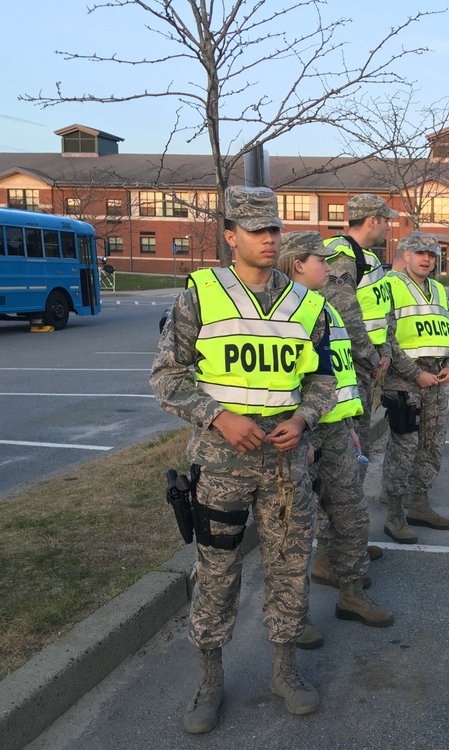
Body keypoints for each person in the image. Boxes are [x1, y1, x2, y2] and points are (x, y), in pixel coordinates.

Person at [150, 187, 337, 733]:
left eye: (274, 229)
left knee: (289, 566)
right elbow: (166, 377)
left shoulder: (308, 304)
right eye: (256, 229)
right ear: (230, 235)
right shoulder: (200, 296)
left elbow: (324, 379)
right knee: (216, 572)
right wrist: (218, 416)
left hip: (286, 466)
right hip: (221, 464)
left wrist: (303, 418)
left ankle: (285, 670)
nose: (269, 238)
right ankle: (210, 678)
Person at [276, 231, 393, 645]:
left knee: (351, 513)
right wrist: (302, 433)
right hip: (297, 434)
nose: (329, 267)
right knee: (293, 529)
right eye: (320, 260)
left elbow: (335, 376)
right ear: (297, 265)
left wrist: (346, 426)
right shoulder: (281, 313)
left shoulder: (323, 307)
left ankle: (351, 591)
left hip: (335, 427)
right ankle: (295, 617)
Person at [380, 231, 449, 544]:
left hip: (437, 379)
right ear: (406, 255)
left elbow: (448, 330)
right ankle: (394, 513)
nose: (427, 259)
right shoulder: (390, 286)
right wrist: (414, 373)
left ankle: (419, 503)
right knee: (404, 447)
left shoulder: (438, 289)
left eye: (432, 254)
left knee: (432, 442)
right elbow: (385, 336)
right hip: (405, 381)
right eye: (420, 253)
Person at [322, 194, 396, 481]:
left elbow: (383, 310)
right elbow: (347, 316)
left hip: (369, 364)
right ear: (372, 220)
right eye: (385, 220)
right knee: (348, 444)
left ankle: (353, 504)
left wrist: (386, 349)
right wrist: (373, 356)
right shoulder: (341, 255)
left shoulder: (370, 259)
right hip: (349, 367)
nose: (388, 226)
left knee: (360, 440)